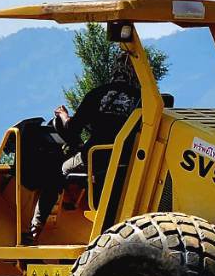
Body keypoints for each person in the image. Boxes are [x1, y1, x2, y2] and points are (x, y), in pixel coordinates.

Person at [25, 56, 141, 243]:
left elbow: (72, 129)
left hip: (95, 158)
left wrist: (63, 116)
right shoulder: (142, 99)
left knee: (59, 170)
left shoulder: (98, 94)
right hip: (130, 161)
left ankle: (35, 227)